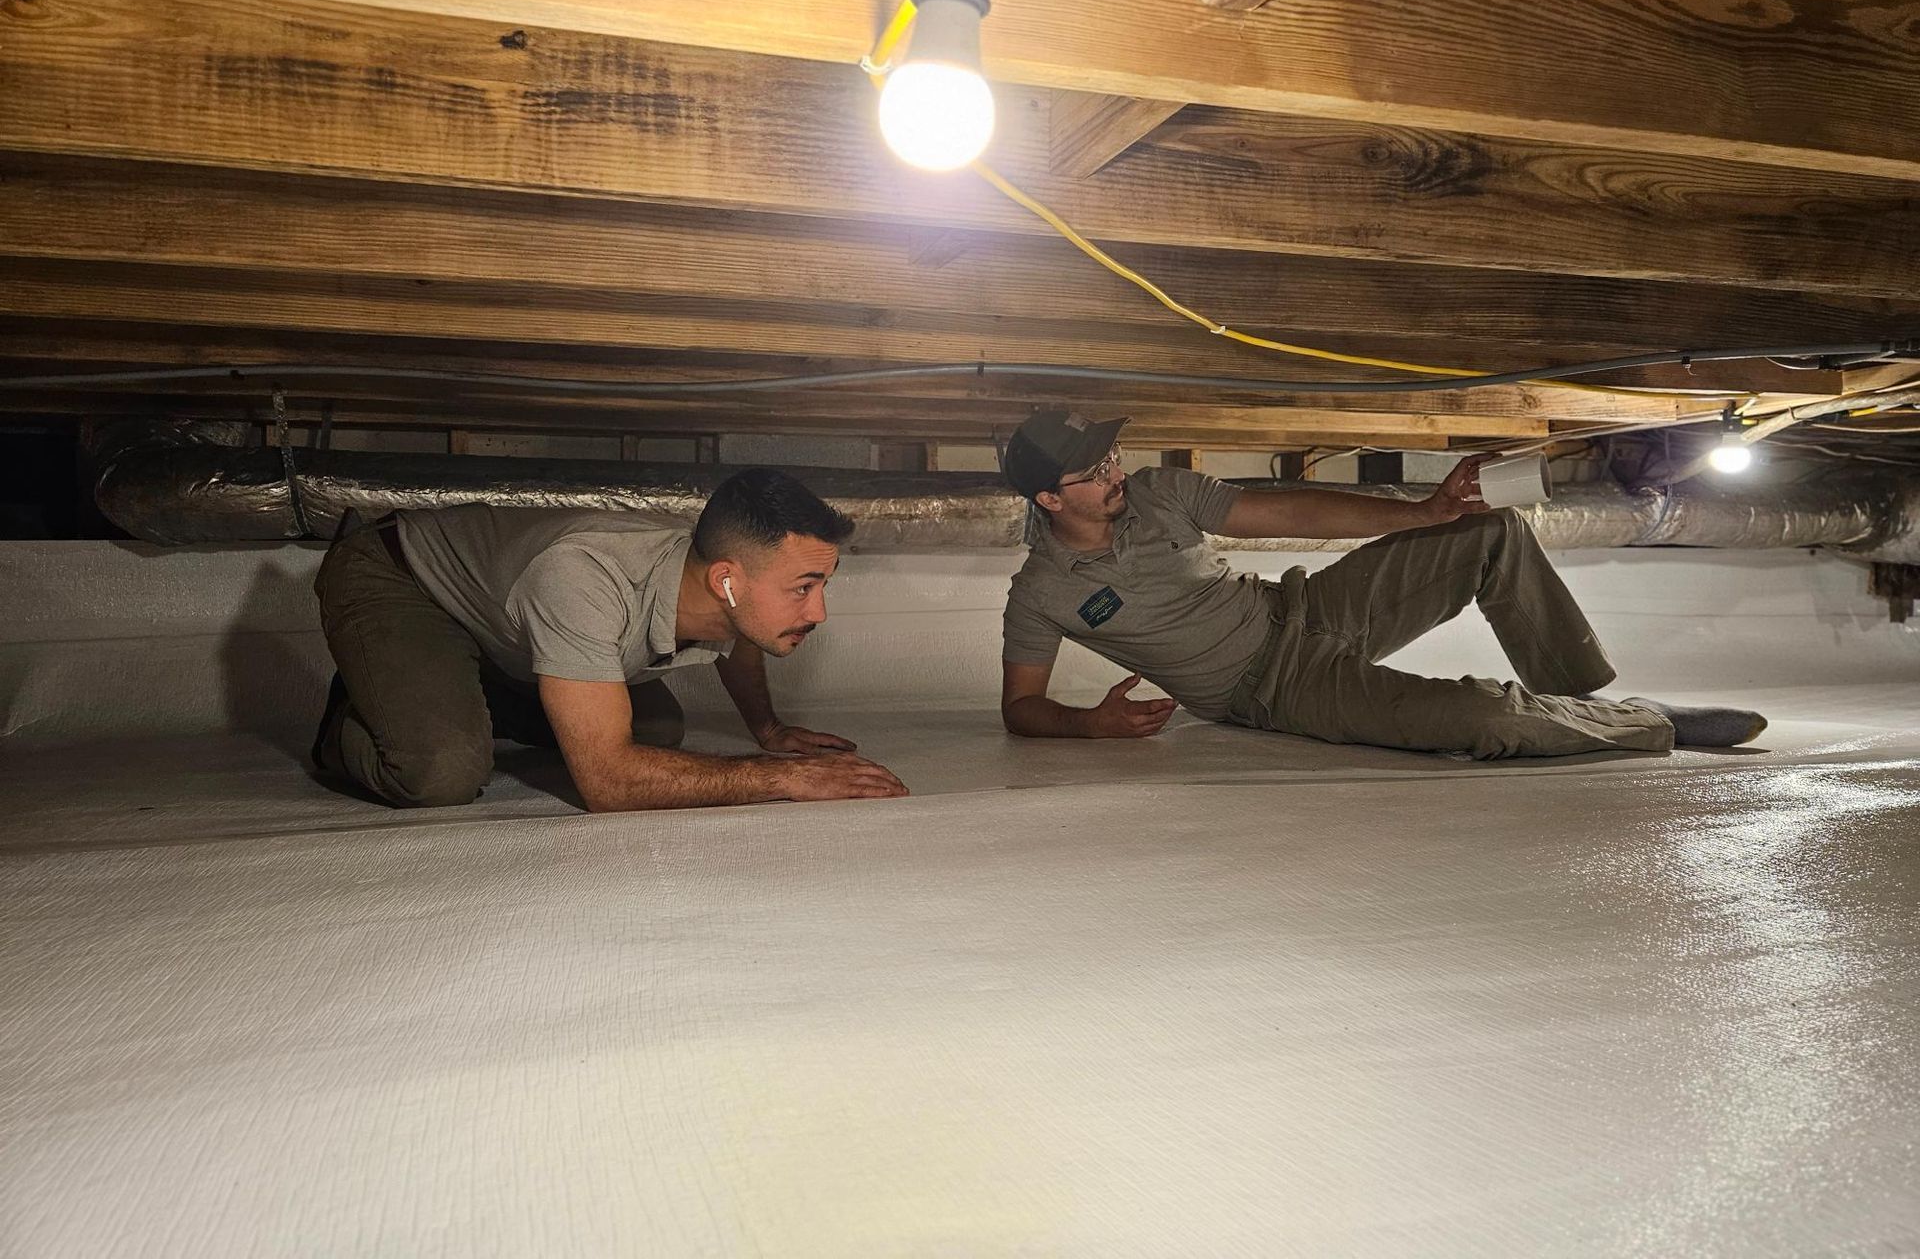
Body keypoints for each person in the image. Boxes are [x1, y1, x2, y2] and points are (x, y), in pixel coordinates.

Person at [997, 412, 1766, 760]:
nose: (1115, 473)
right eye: (1093, 471)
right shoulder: (1041, 594)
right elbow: (1020, 707)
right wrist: (1088, 726)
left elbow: (1291, 511)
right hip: (1274, 689)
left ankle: (1582, 701)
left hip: (1302, 609)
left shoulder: (1159, 493)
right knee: (1478, 718)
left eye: (1112, 457)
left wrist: (1424, 512)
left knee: (1487, 530)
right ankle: (1643, 726)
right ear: (1051, 500)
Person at [311, 467, 908, 811]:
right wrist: (781, 777)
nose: (818, 612)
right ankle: (359, 713)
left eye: (822, 585)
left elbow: (743, 633)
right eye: (803, 588)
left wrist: (769, 730)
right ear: (725, 581)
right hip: (401, 576)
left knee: (657, 732)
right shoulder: (585, 578)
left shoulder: (721, 588)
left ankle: (456, 688)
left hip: (505, 611)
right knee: (441, 773)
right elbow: (608, 784)